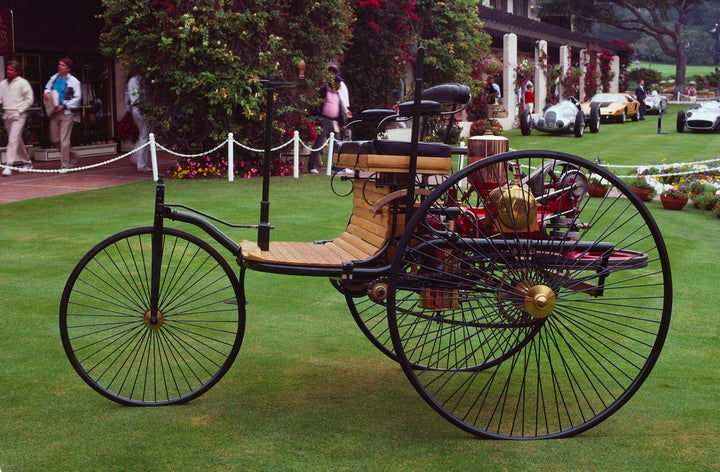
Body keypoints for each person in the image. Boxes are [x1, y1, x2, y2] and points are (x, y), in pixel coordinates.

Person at [43, 57, 82, 172]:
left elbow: (77, 97)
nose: (59, 66)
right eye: (59, 64)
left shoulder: (74, 81)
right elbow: (47, 89)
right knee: (55, 139)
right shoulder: (54, 78)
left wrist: (65, 105)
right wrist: (46, 95)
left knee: (64, 140)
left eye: (63, 65)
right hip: (54, 112)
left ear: (68, 69)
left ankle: (64, 165)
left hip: (66, 113)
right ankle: (73, 154)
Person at [0, 60, 34, 177]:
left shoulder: (23, 83)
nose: (8, 71)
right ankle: (27, 163)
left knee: (13, 140)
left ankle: (9, 165)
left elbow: (29, 99)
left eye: (11, 70)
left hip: (18, 115)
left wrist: (20, 110)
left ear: (17, 72)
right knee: (16, 140)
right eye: (8, 69)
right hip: (7, 115)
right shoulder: (3, 83)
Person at [308, 75, 347, 174]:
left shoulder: (337, 94)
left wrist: (342, 122)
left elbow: (340, 109)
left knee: (337, 144)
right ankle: (312, 166)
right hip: (324, 119)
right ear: (333, 83)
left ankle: (338, 166)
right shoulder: (325, 90)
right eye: (338, 84)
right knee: (319, 142)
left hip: (334, 121)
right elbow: (317, 104)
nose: (339, 86)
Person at [125, 73, 152, 172]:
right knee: (144, 136)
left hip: (135, 108)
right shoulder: (137, 80)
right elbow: (136, 97)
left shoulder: (132, 79)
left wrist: (129, 109)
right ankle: (141, 163)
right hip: (140, 108)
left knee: (143, 135)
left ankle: (137, 159)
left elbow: (127, 97)